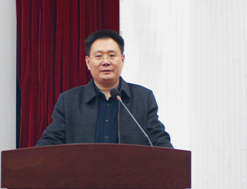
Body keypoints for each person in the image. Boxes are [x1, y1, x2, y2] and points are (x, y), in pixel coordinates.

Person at [35, 30, 173, 148]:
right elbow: (50, 141)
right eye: (99, 56)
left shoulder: (142, 98)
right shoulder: (69, 101)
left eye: (112, 55)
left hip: (129, 171)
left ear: (122, 60)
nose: (106, 62)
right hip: (83, 171)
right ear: (88, 62)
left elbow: (158, 139)